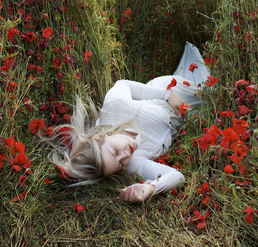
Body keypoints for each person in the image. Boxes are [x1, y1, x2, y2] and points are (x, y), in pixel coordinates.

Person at [46, 42, 210, 203]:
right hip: (185, 120)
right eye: (119, 164)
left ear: (101, 136)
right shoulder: (130, 163)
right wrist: (151, 188)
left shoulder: (114, 106)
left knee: (215, 92)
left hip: (173, 94)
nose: (126, 155)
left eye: (115, 152)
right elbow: (177, 176)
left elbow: (123, 84)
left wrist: (166, 94)